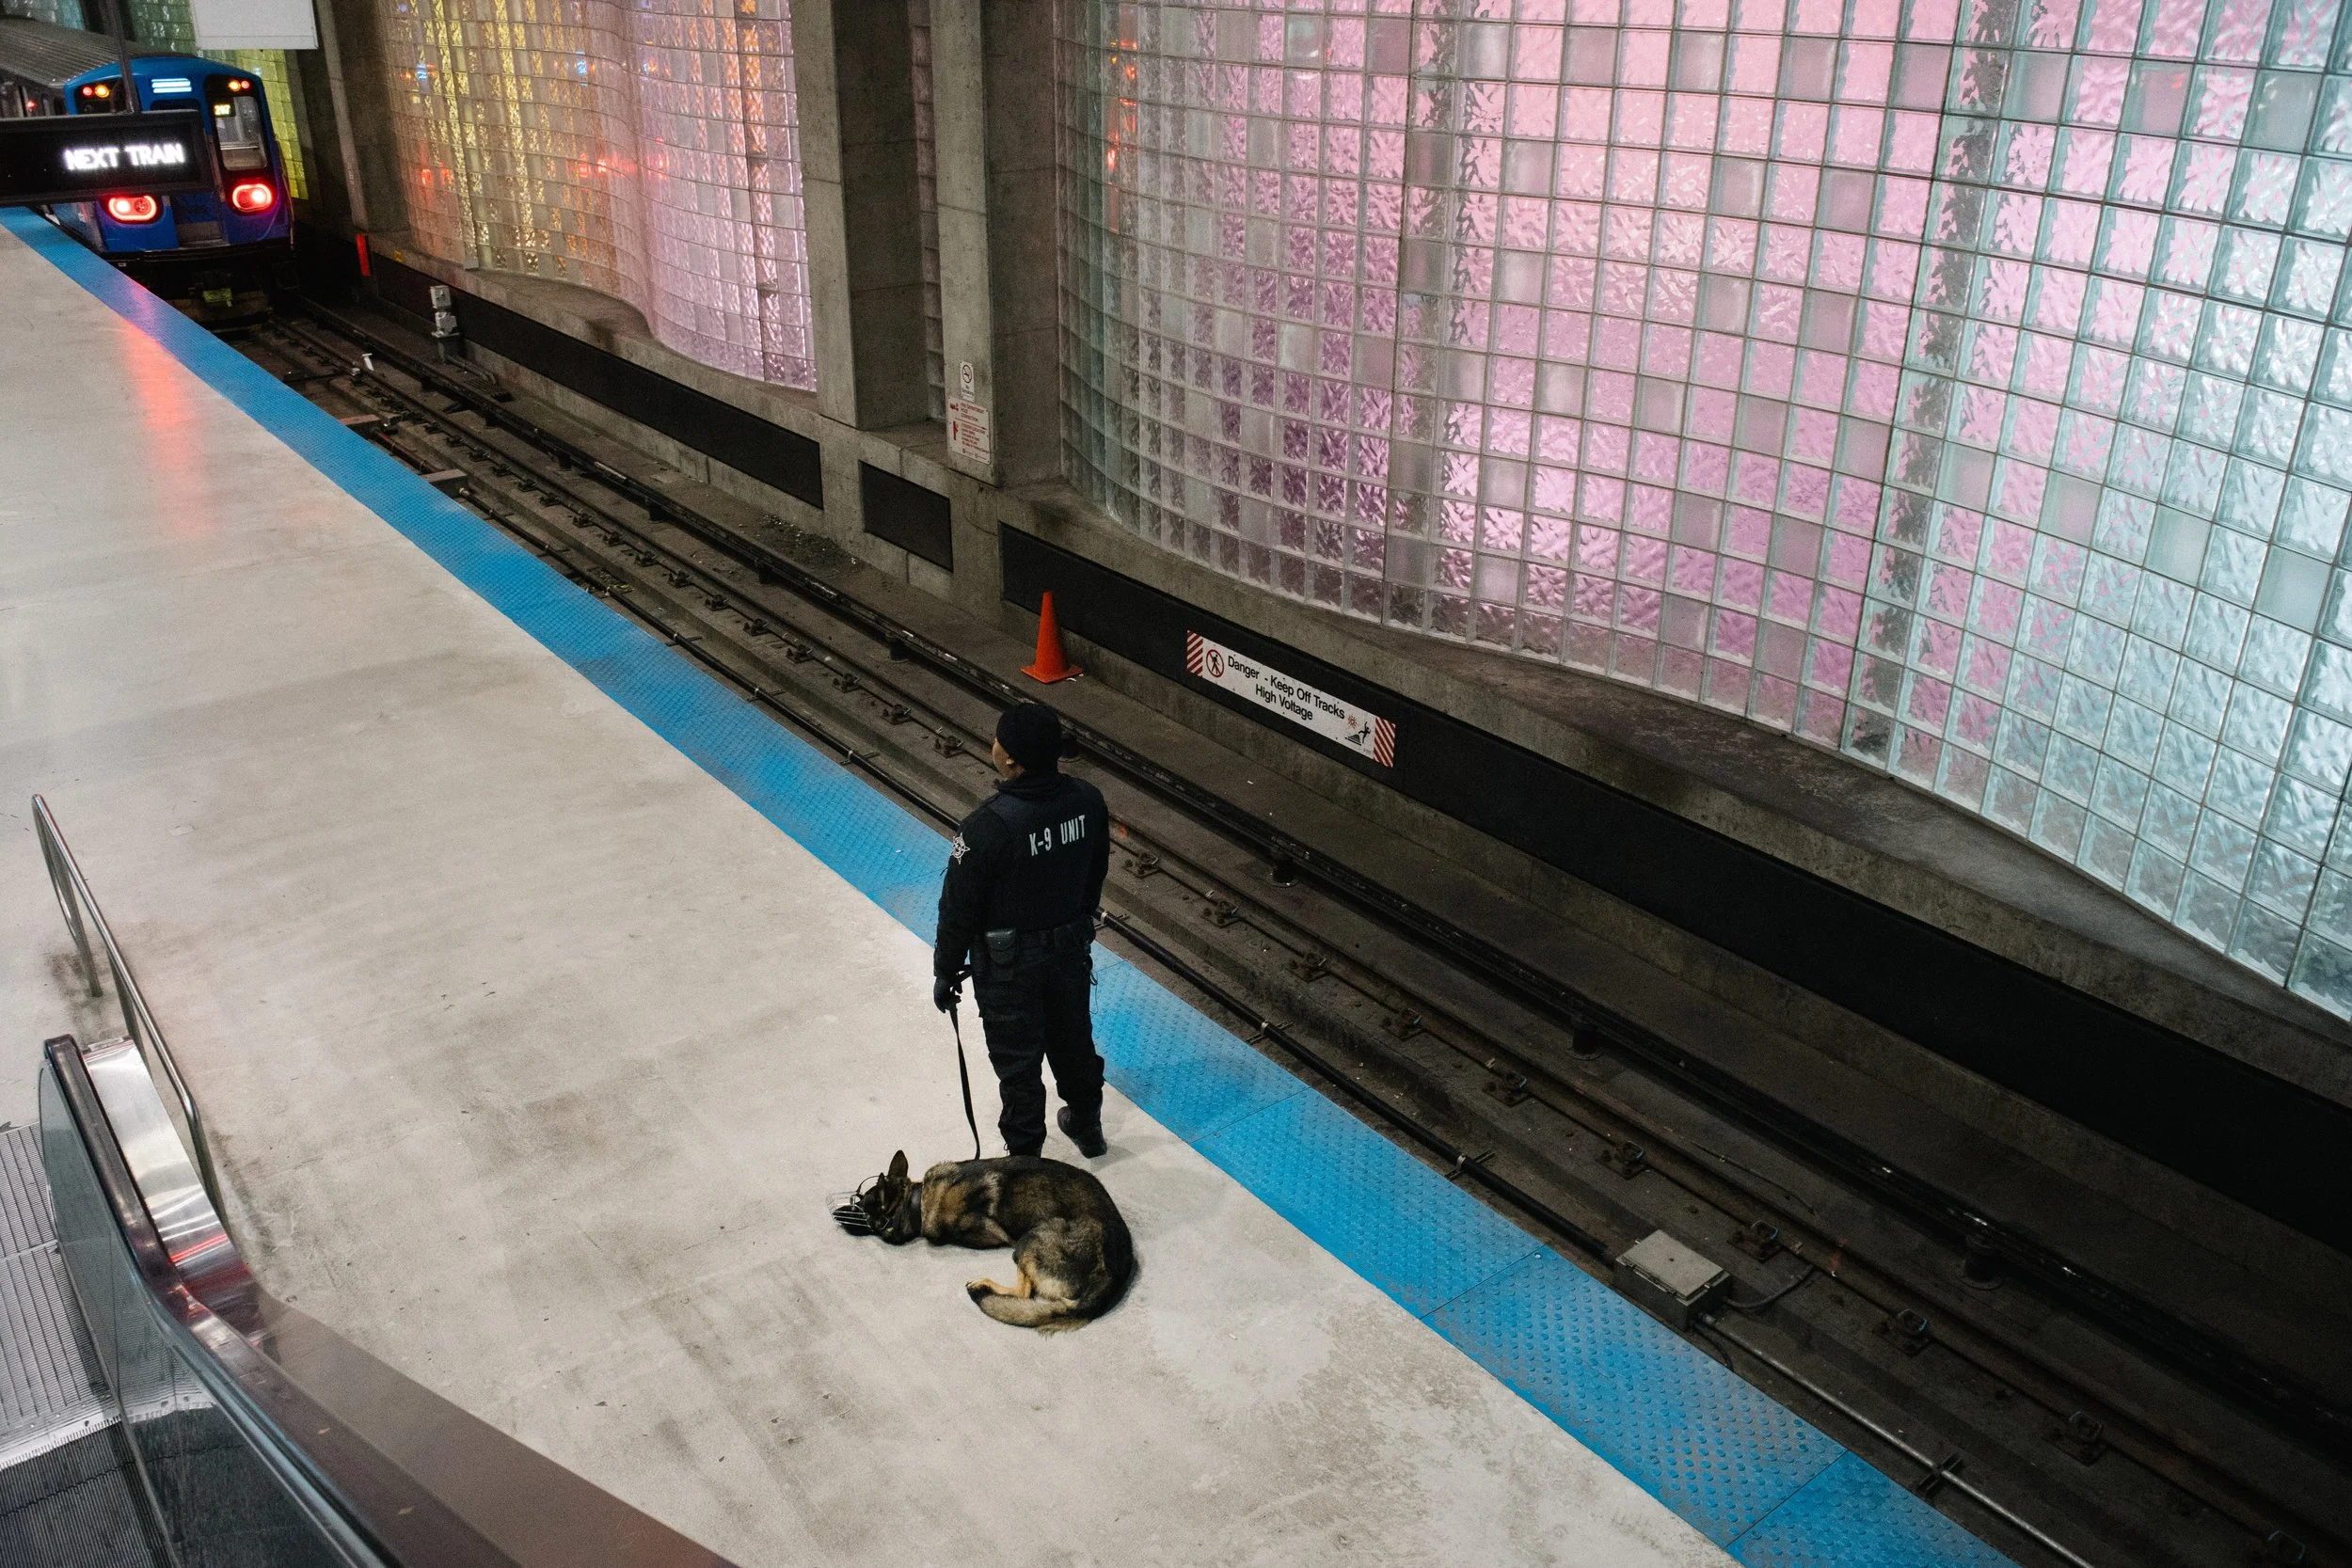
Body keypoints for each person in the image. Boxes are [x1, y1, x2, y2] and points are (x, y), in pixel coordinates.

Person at [933, 703, 1112, 1158]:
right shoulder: (1088, 800)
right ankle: (1087, 1126)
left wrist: (946, 971)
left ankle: (1026, 1161)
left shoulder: (986, 828)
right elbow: (1095, 872)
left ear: (1010, 759)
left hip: (1008, 968)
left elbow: (958, 910)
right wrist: (1074, 921)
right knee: (1073, 1040)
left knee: (1018, 1066)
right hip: (1070, 951)